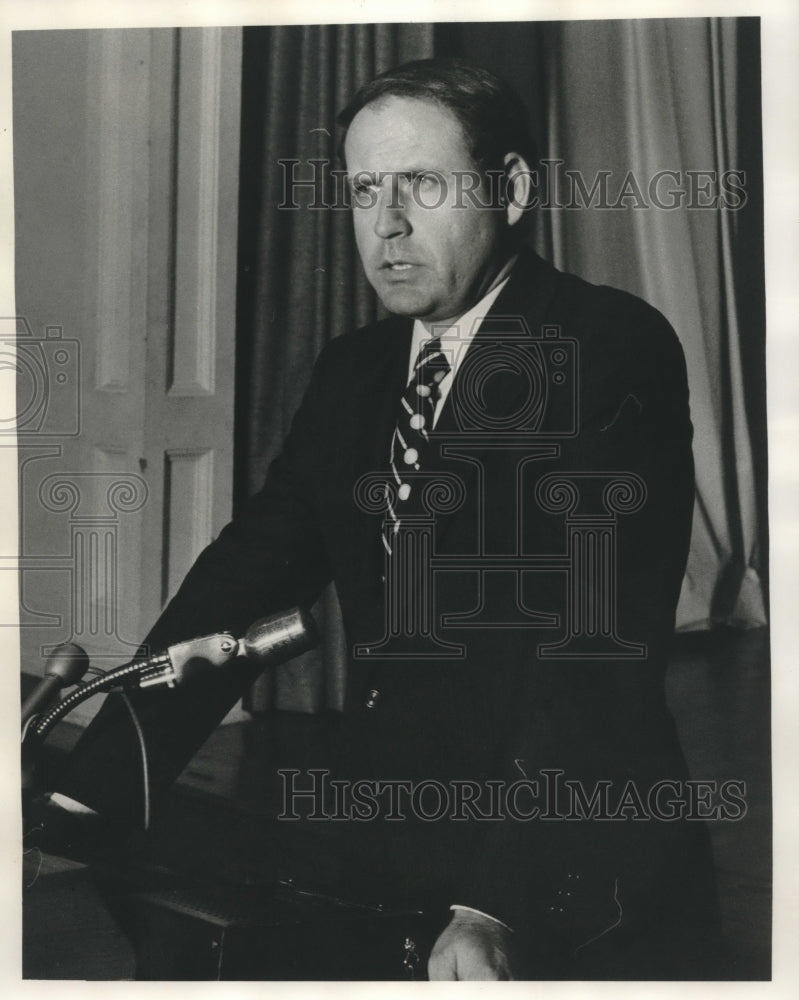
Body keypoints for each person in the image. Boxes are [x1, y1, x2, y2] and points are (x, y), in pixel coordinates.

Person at [38, 58, 719, 979]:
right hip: (389, 833)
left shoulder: (608, 345)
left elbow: (597, 650)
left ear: (512, 190)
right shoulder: (357, 366)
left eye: (422, 186)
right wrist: (98, 781)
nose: (385, 225)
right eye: (364, 190)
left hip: (566, 854)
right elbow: (253, 567)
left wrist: (494, 904)